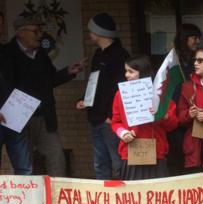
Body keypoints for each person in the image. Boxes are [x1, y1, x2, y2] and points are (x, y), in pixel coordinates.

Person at [1, 17, 85, 177]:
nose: (39, 35)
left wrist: (68, 72)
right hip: (19, 119)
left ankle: (57, 196)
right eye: (35, 31)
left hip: (44, 116)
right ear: (21, 33)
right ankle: (22, 199)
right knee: (22, 163)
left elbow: (51, 79)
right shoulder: (7, 53)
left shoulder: (41, 55)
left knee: (56, 157)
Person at [76, 13, 129, 179]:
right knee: (100, 164)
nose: (89, 33)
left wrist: (111, 116)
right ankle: (105, 200)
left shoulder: (120, 55)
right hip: (95, 118)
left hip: (110, 120)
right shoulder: (98, 55)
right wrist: (84, 99)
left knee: (119, 163)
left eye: (92, 30)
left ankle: (125, 200)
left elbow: (120, 88)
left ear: (100, 32)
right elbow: (95, 83)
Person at [111, 55, 178, 180]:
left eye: (131, 71)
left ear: (142, 73)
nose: (126, 75)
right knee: (133, 198)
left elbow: (173, 125)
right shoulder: (119, 95)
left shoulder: (160, 94)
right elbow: (115, 122)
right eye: (126, 71)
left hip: (156, 152)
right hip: (130, 152)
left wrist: (163, 114)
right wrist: (123, 133)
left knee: (157, 197)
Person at [167, 23, 202, 175]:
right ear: (185, 38)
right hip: (174, 116)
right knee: (176, 159)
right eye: (194, 38)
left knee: (193, 159)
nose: (198, 41)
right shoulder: (171, 61)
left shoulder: (197, 60)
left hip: (193, 116)